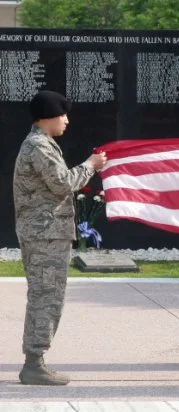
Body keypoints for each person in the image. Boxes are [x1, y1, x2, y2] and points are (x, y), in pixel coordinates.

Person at [13, 90, 107, 385]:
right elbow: (62, 184)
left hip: (46, 234)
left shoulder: (42, 144)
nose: (66, 121)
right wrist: (90, 165)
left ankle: (36, 360)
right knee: (46, 299)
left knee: (46, 297)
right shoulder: (38, 146)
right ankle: (34, 363)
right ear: (47, 117)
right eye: (62, 115)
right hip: (44, 236)